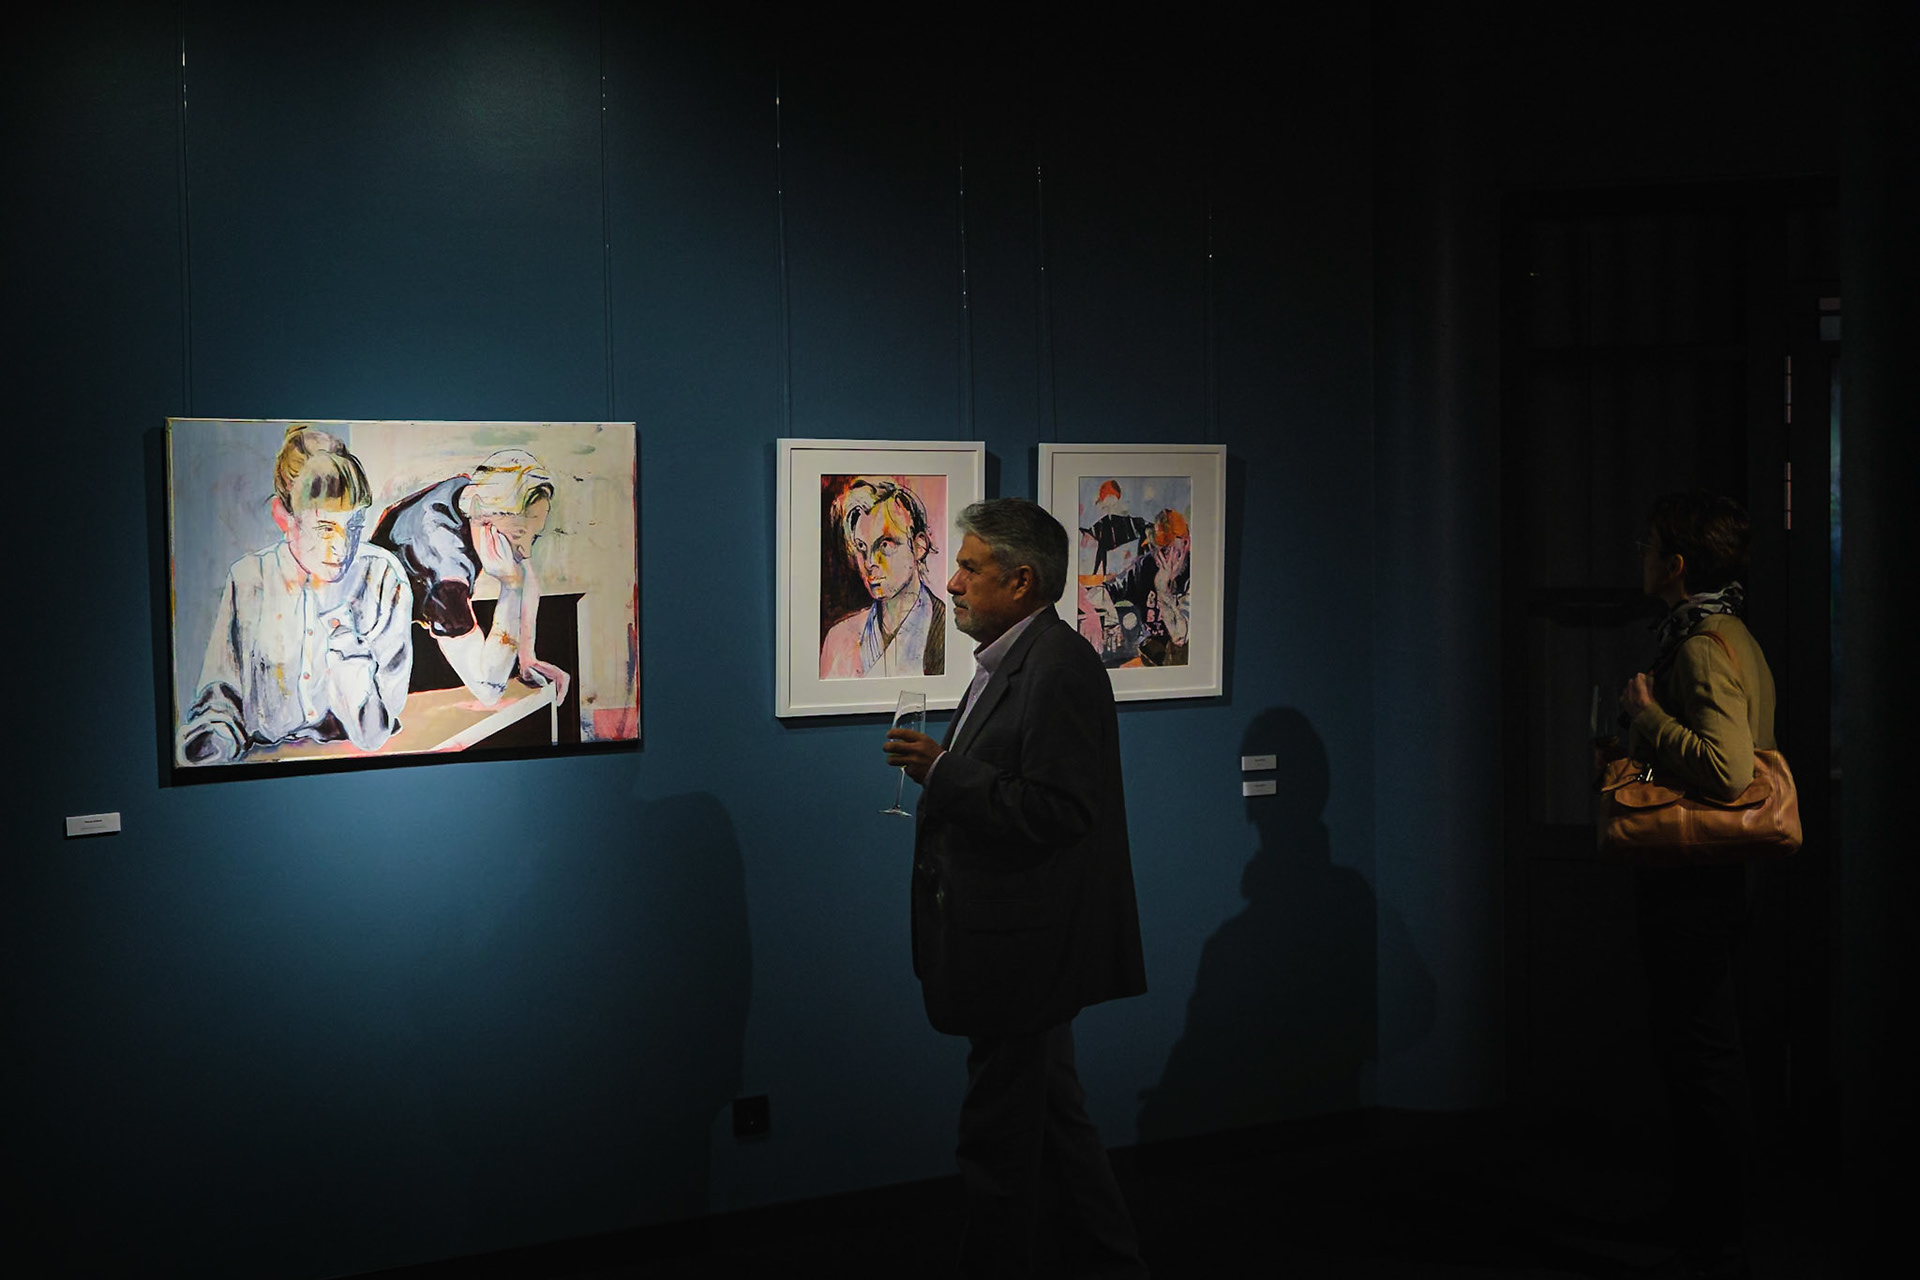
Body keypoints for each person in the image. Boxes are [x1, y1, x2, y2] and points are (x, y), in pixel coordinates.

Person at [884, 497, 1150, 1278]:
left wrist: (943, 772)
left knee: (998, 1143)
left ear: (1022, 580)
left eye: (970, 569)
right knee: (1056, 1122)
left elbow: (1061, 811)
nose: (952, 583)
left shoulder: (1057, 669)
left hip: (1021, 952)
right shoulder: (1016, 662)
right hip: (1013, 946)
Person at [1615, 491, 1773, 1280]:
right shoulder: (1723, 633)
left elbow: (1726, 770)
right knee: (1695, 1052)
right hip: (1704, 876)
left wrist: (1645, 719)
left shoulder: (1705, 646)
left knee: (1704, 1056)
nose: (1640, 557)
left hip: (1696, 881)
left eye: (1649, 546)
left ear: (1676, 565)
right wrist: (1635, 758)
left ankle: (1716, 1240)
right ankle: (1698, 1218)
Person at [178, 426, 413, 764]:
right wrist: (210, 743)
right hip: (269, 767)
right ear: (283, 518)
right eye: (325, 528)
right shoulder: (250, 579)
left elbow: (375, 732)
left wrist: (344, 644)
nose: (342, 548)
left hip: (355, 764)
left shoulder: (381, 577)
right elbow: (221, 698)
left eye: (354, 526)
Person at [371, 448, 570, 707]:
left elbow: (523, 564)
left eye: (534, 535)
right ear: (479, 512)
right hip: (382, 661)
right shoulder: (445, 576)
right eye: (519, 534)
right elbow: (489, 689)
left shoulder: (467, 492)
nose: (526, 550)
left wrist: (526, 656)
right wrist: (510, 587)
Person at [820, 478, 946, 678]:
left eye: (885, 544)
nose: (869, 562)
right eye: (861, 547)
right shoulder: (838, 640)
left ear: (919, 546)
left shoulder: (947, 631)